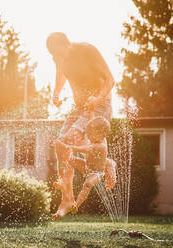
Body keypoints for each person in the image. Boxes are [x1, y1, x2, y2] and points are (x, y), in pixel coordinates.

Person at [46, 32, 116, 220]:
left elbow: (111, 79)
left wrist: (98, 98)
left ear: (67, 44)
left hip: (100, 106)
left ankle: (105, 163)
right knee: (60, 144)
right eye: (55, 56)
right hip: (79, 108)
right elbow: (60, 72)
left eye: (60, 54)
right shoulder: (58, 57)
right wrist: (56, 93)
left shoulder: (87, 50)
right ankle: (67, 198)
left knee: (69, 141)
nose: (58, 59)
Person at [54, 116, 116, 214]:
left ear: (101, 134)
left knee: (88, 184)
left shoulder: (99, 146)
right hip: (86, 166)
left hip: (96, 173)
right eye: (88, 134)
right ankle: (63, 181)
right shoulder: (98, 138)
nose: (88, 136)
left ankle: (76, 205)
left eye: (90, 134)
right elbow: (94, 122)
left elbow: (85, 149)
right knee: (69, 160)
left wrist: (68, 147)